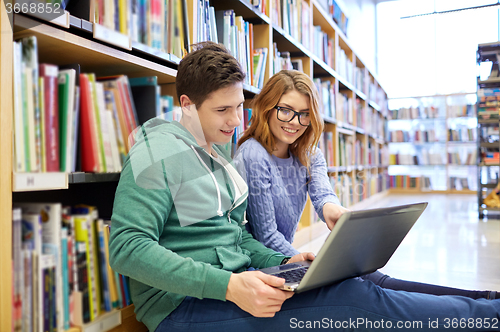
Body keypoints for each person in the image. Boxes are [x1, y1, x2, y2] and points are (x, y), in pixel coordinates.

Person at [108, 42, 500, 332]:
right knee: (352, 301)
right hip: (182, 308)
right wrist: (228, 285)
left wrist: (286, 264)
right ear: (186, 104)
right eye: (221, 110)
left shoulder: (217, 151)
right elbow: (126, 248)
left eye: (238, 107)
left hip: (237, 283)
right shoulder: (155, 147)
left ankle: (486, 306)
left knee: (349, 282)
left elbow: (235, 240)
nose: (233, 122)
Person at [234, 69, 500, 300]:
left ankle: (487, 299)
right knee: (368, 289)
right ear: (267, 107)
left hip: (292, 262)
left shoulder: (308, 151)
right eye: (286, 111)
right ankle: (484, 302)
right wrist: (311, 267)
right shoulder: (253, 154)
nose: (295, 122)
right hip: (265, 271)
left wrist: (332, 210)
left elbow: (323, 194)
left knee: (376, 280)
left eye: (304, 114)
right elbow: (267, 237)